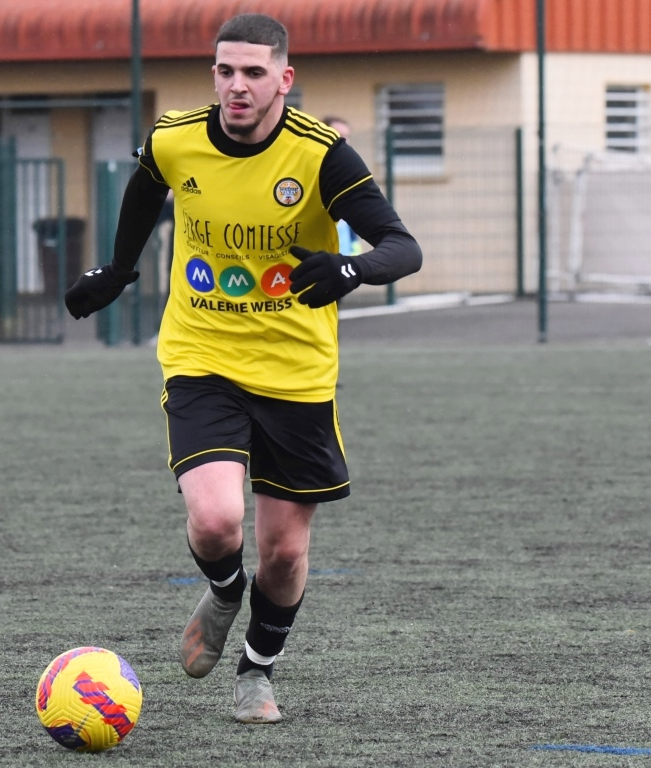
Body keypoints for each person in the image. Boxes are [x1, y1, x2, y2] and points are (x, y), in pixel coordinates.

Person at [64, 13, 421, 724]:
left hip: (295, 372)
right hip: (202, 355)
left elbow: (401, 246)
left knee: (283, 553)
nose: (237, 86)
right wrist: (119, 268)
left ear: (283, 79)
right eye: (226, 71)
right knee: (216, 520)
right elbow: (147, 187)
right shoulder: (176, 137)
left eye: (254, 73)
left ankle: (256, 671)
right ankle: (226, 591)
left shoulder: (321, 155)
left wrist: (350, 268)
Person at [322, 116, 362, 256]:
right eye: (339, 135)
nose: (344, 141)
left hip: (345, 261)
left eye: (347, 136)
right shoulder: (315, 174)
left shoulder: (350, 174)